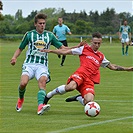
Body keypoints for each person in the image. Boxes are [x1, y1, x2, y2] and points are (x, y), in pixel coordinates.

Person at [10, 13, 81, 115]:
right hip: (29, 64)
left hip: (42, 65)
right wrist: (14, 57)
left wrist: (76, 46)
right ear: (35, 24)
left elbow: (62, 48)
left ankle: (40, 106)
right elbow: (21, 48)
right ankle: (21, 98)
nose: (42, 25)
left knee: (42, 82)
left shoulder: (50, 36)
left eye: (44, 23)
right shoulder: (29, 35)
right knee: (23, 83)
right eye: (40, 23)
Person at [42, 32, 133, 108]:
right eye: (95, 43)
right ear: (91, 41)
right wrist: (50, 51)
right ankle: (49, 95)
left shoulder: (101, 56)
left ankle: (79, 98)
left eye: (99, 43)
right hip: (80, 74)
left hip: (89, 81)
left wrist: (127, 69)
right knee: (70, 87)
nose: (97, 45)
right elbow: (65, 52)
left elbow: (112, 66)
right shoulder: (83, 49)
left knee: (89, 102)